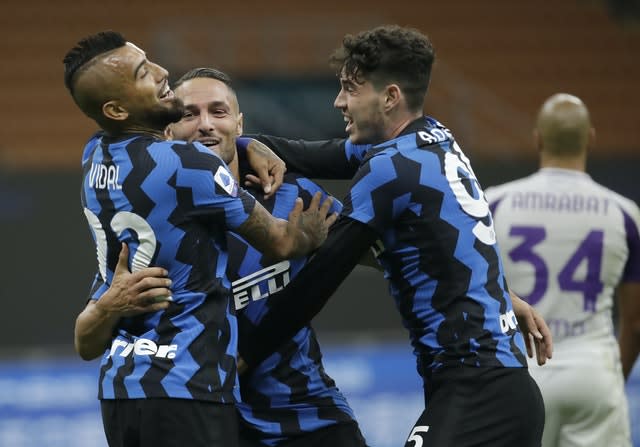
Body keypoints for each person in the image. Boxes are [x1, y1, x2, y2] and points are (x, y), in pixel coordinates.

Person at [234, 25, 552, 447]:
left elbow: (319, 280)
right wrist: (242, 143)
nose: (339, 101)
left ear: (389, 97)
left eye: (351, 88)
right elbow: (307, 152)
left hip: (477, 390)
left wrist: (245, 354)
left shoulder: (389, 170)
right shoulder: (433, 141)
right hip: (496, 386)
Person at [64, 31, 336, 447]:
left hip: (120, 391)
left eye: (149, 61)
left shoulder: (94, 155)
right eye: (142, 73)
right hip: (188, 389)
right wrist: (312, 233)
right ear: (116, 108)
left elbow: (85, 343)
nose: (160, 72)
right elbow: (282, 243)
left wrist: (248, 144)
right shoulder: (191, 166)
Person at [166, 67, 368, 447]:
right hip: (214, 422)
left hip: (310, 414)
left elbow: (384, 255)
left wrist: (496, 293)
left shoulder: (293, 199)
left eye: (219, 112)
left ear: (239, 124)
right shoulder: (159, 216)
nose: (205, 124)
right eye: (189, 114)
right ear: (168, 130)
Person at [485, 93, 640, 447]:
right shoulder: (623, 212)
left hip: (522, 373)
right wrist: (613, 377)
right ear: (591, 139)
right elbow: (634, 322)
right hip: (592, 371)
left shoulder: (495, 202)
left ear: (537, 138)